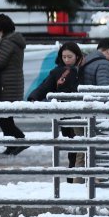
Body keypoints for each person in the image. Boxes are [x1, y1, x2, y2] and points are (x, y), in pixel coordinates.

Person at [27, 41, 85, 179]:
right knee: (73, 148)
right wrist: (34, 96)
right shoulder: (57, 72)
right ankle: (73, 177)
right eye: (64, 57)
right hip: (66, 115)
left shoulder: (85, 68)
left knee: (81, 147)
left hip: (82, 113)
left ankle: (77, 177)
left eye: (69, 57)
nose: (66, 60)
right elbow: (45, 86)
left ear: (77, 56)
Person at [0, 14, 28, 155]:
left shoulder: (7, 43)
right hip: (14, 83)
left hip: (7, 85)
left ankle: (20, 139)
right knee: (5, 115)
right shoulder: (15, 42)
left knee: (1, 115)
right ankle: (12, 144)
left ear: (1, 30)